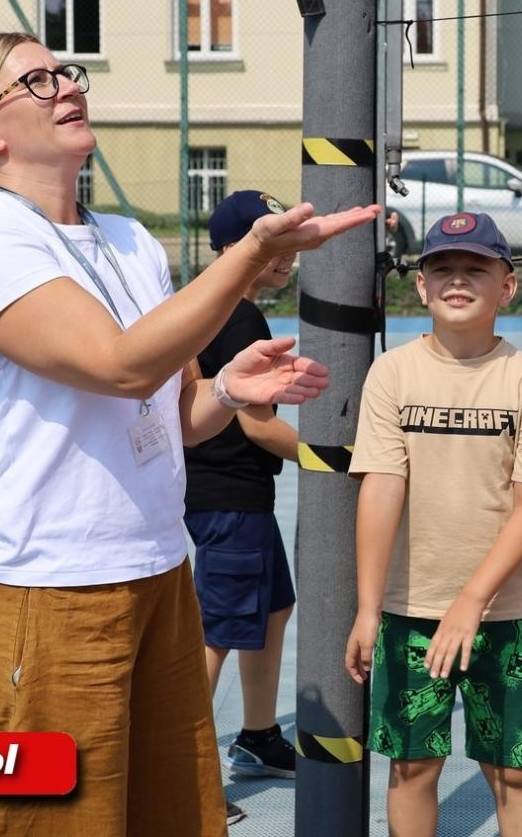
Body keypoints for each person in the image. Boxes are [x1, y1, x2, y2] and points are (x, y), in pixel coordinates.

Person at [0, 32, 376, 837]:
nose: (66, 85)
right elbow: (120, 365)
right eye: (35, 80)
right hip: (44, 591)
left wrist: (232, 391)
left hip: (159, 573)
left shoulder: (129, 241)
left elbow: (169, 414)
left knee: (177, 820)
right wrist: (249, 257)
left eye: (66, 71)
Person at [344, 212, 522, 837]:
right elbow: (381, 488)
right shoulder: (393, 373)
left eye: (477, 268)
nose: (457, 280)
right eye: (442, 267)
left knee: (514, 773)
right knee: (412, 767)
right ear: (419, 286)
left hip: (503, 614)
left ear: (508, 285)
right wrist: (369, 609)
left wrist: (472, 601)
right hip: (410, 609)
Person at [183, 191, 302, 825]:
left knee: (274, 608)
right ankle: (187, 773)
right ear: (236, 249)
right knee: (216, 638)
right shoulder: (239, 319)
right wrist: (340, 459)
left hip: (238, 495)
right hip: (227, 497)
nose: (287, 257)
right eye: (272, 244)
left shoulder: (231, 310)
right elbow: (258, 428)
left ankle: (257, 737)